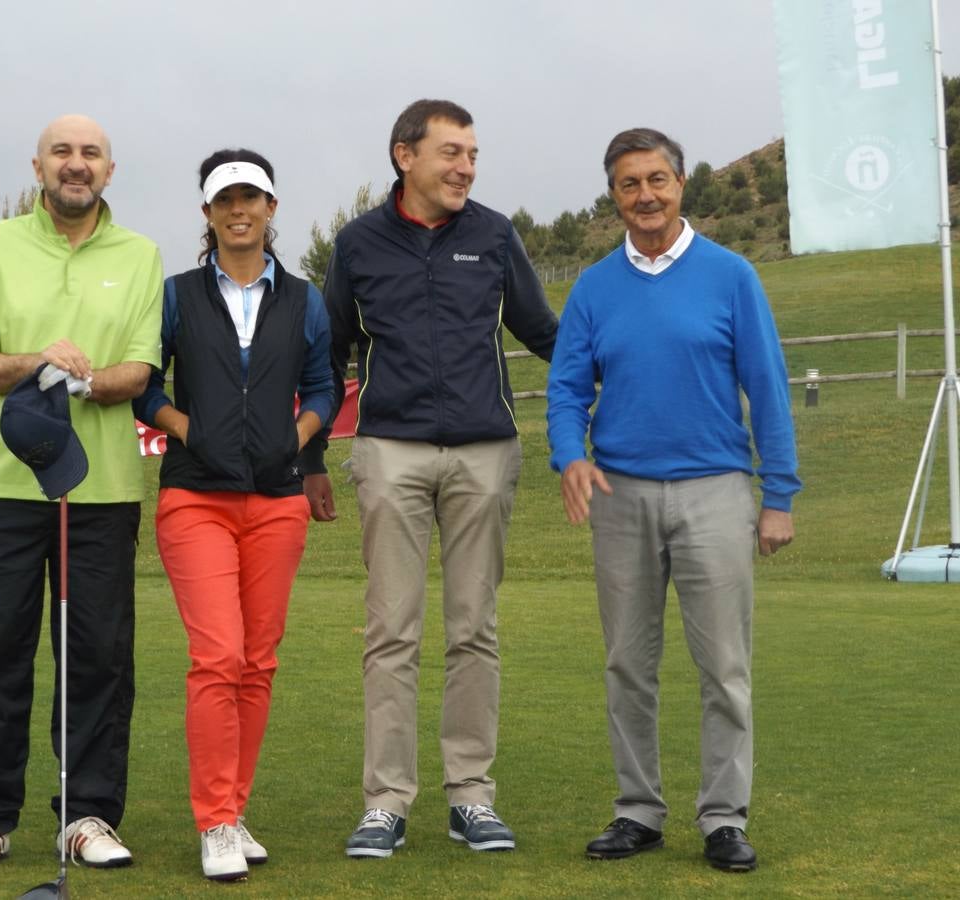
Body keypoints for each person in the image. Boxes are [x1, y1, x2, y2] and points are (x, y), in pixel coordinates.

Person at [546, 127, 800, 872]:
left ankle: (723, 818)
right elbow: (565, 391)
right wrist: (570, 457)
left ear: (680, 185)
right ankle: (638, 812)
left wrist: (778, 494)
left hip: (716, 492)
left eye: (657, 179)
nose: (646, 196)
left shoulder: (731, 276)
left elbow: (768, 389)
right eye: (630, 184)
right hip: (619, 495)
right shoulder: (593, 287)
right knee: (628, 663)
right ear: (614, 195)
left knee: (723, 665)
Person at [317, 98, 558, 859]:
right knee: (391, 632)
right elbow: (330, 355)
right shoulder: (357, 244)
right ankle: (386, 802)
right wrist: (307, 458)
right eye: (452, 153)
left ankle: (471, 797)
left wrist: (623, 372)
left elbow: (543, 331)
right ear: (405, 156)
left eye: (473, 155)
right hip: (389, 451)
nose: (465, 168)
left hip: (486, 452)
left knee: (473, 630)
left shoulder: (493, 234)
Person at [0, 114, 163, 874]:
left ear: (110, 169)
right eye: (62, 152)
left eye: (90, 153)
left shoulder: (140, 256)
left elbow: (137, 372)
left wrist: (80, 378)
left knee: (98, 656)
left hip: (100, 490)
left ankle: (88, 814)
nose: (76, 164)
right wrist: (44, 359)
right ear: (38, 166)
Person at [132, 149, 334, 882]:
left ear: (272, 209)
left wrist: (300, 437)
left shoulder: (305, 299)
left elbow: (323, 386)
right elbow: (144, 385)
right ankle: (214, 820)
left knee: (258, 662)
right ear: (208, 214)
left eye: (252, 198)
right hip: (196, 496)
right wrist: (186, 429)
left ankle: (234, 809)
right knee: (218, 656)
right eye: (226, 200)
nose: (240, 210)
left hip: (277, 501)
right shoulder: (178, 295)